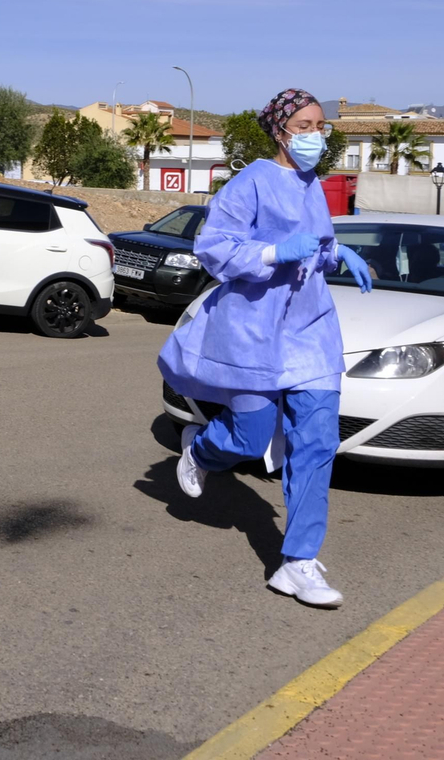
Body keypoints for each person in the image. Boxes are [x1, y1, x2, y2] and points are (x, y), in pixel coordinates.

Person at [158, 89, 372, 609]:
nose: (316, 135)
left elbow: (314, 247)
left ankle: (297, 562)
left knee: (317, 444)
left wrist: (336, 254)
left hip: (311, 329)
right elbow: (213, 248)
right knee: (251, 437)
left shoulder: (313, 185)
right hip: (256, 330)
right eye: (304, 125)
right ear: (280, 131)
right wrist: (274, 251)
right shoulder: (250, 181)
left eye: (321, 124)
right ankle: (202, 448)